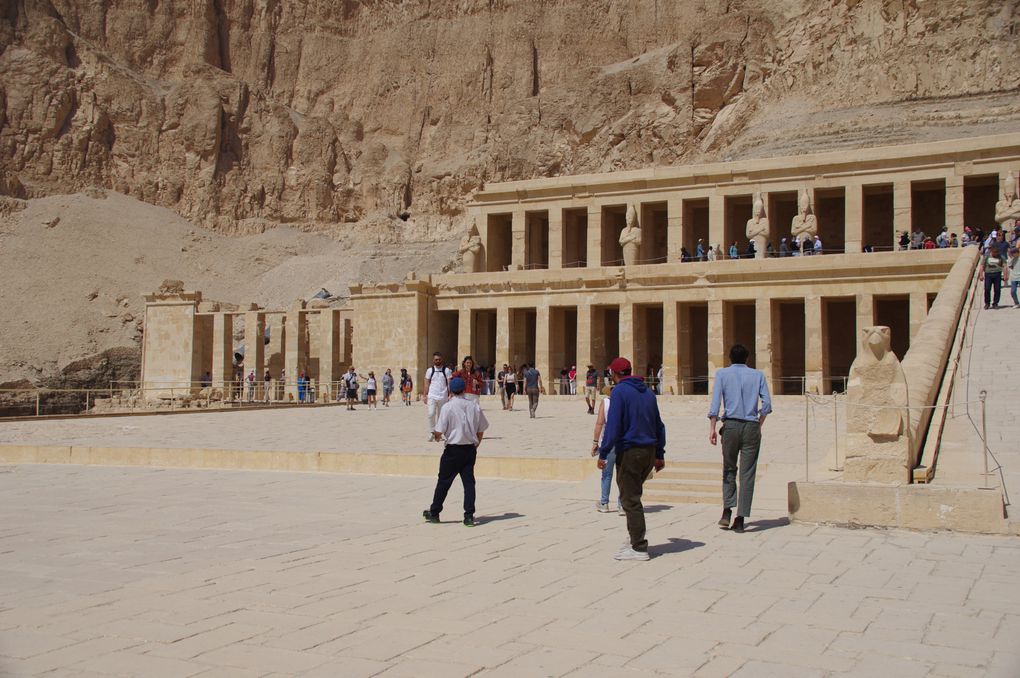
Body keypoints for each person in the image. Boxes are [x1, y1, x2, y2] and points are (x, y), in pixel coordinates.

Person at [597, 357, 666, 561]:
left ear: (615, 374)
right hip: (649, 451)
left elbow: (613, 426)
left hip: (631, 452)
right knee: (633, 495)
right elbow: (659, 425)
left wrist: (603, 452)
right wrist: (660, 454)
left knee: (630, 499)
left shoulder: (619, 392)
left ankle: (638, 547)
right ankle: (634, 537)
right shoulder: (647, 392)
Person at [708, 343, 772, 533]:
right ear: (747, 358)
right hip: (751, 426)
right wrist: (758, 423)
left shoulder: (722, 374)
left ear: (729, 358)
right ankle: (741, 518)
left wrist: (712, 427)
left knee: (729, 468)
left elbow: (715, 403)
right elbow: (767, 404)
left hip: (731, 425)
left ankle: (727, 511)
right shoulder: (758, 375)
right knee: (747, 473)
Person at [423, 377, 489, 527]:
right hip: (469, 450)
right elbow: (481, 429)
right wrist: (476, 445)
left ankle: (434, 513)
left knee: (444, 482)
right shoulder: (474, 406)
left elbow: (439, 431)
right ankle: (469, 516)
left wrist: (436, 436)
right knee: (469, 484)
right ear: (464, 390)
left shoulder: (447, 407)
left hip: (452, 450)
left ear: (450, 390)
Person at [591, 385, 623, 514]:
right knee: (622, 474)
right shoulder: (624, 402)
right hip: (623, 442)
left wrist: (595, 442)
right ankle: (622, 505)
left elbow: (600, 423)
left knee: (606, 473)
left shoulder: (606, 402)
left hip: (608, 442)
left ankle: (604, 503)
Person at [424, 352, 453, 441]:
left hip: (443, 396)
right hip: (432, 395)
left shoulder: (446, 370)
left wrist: (450, 394)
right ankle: (432, 431)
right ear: (433, 360)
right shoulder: (430, 370)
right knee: (431, 414)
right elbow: (426, 383)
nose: (438, 361)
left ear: (442, 360)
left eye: (439, 359)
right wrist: (425, 395)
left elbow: (449, 383)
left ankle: (441, 433)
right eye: (436, 359)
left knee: (441, 416)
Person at [979, 244, 1004, 310]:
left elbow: (1004, 266)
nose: (995, 253)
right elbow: (982, 265)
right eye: (994, 252)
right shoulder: (987, 256)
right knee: (987, 289)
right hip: (988, 274)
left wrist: (1005, 275)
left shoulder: (1000, 257)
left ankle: (995, 303)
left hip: (997, 274)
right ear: (991, 251)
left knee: (997, 289)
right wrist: (981, 275)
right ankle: (987, 303)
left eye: (997, 252)